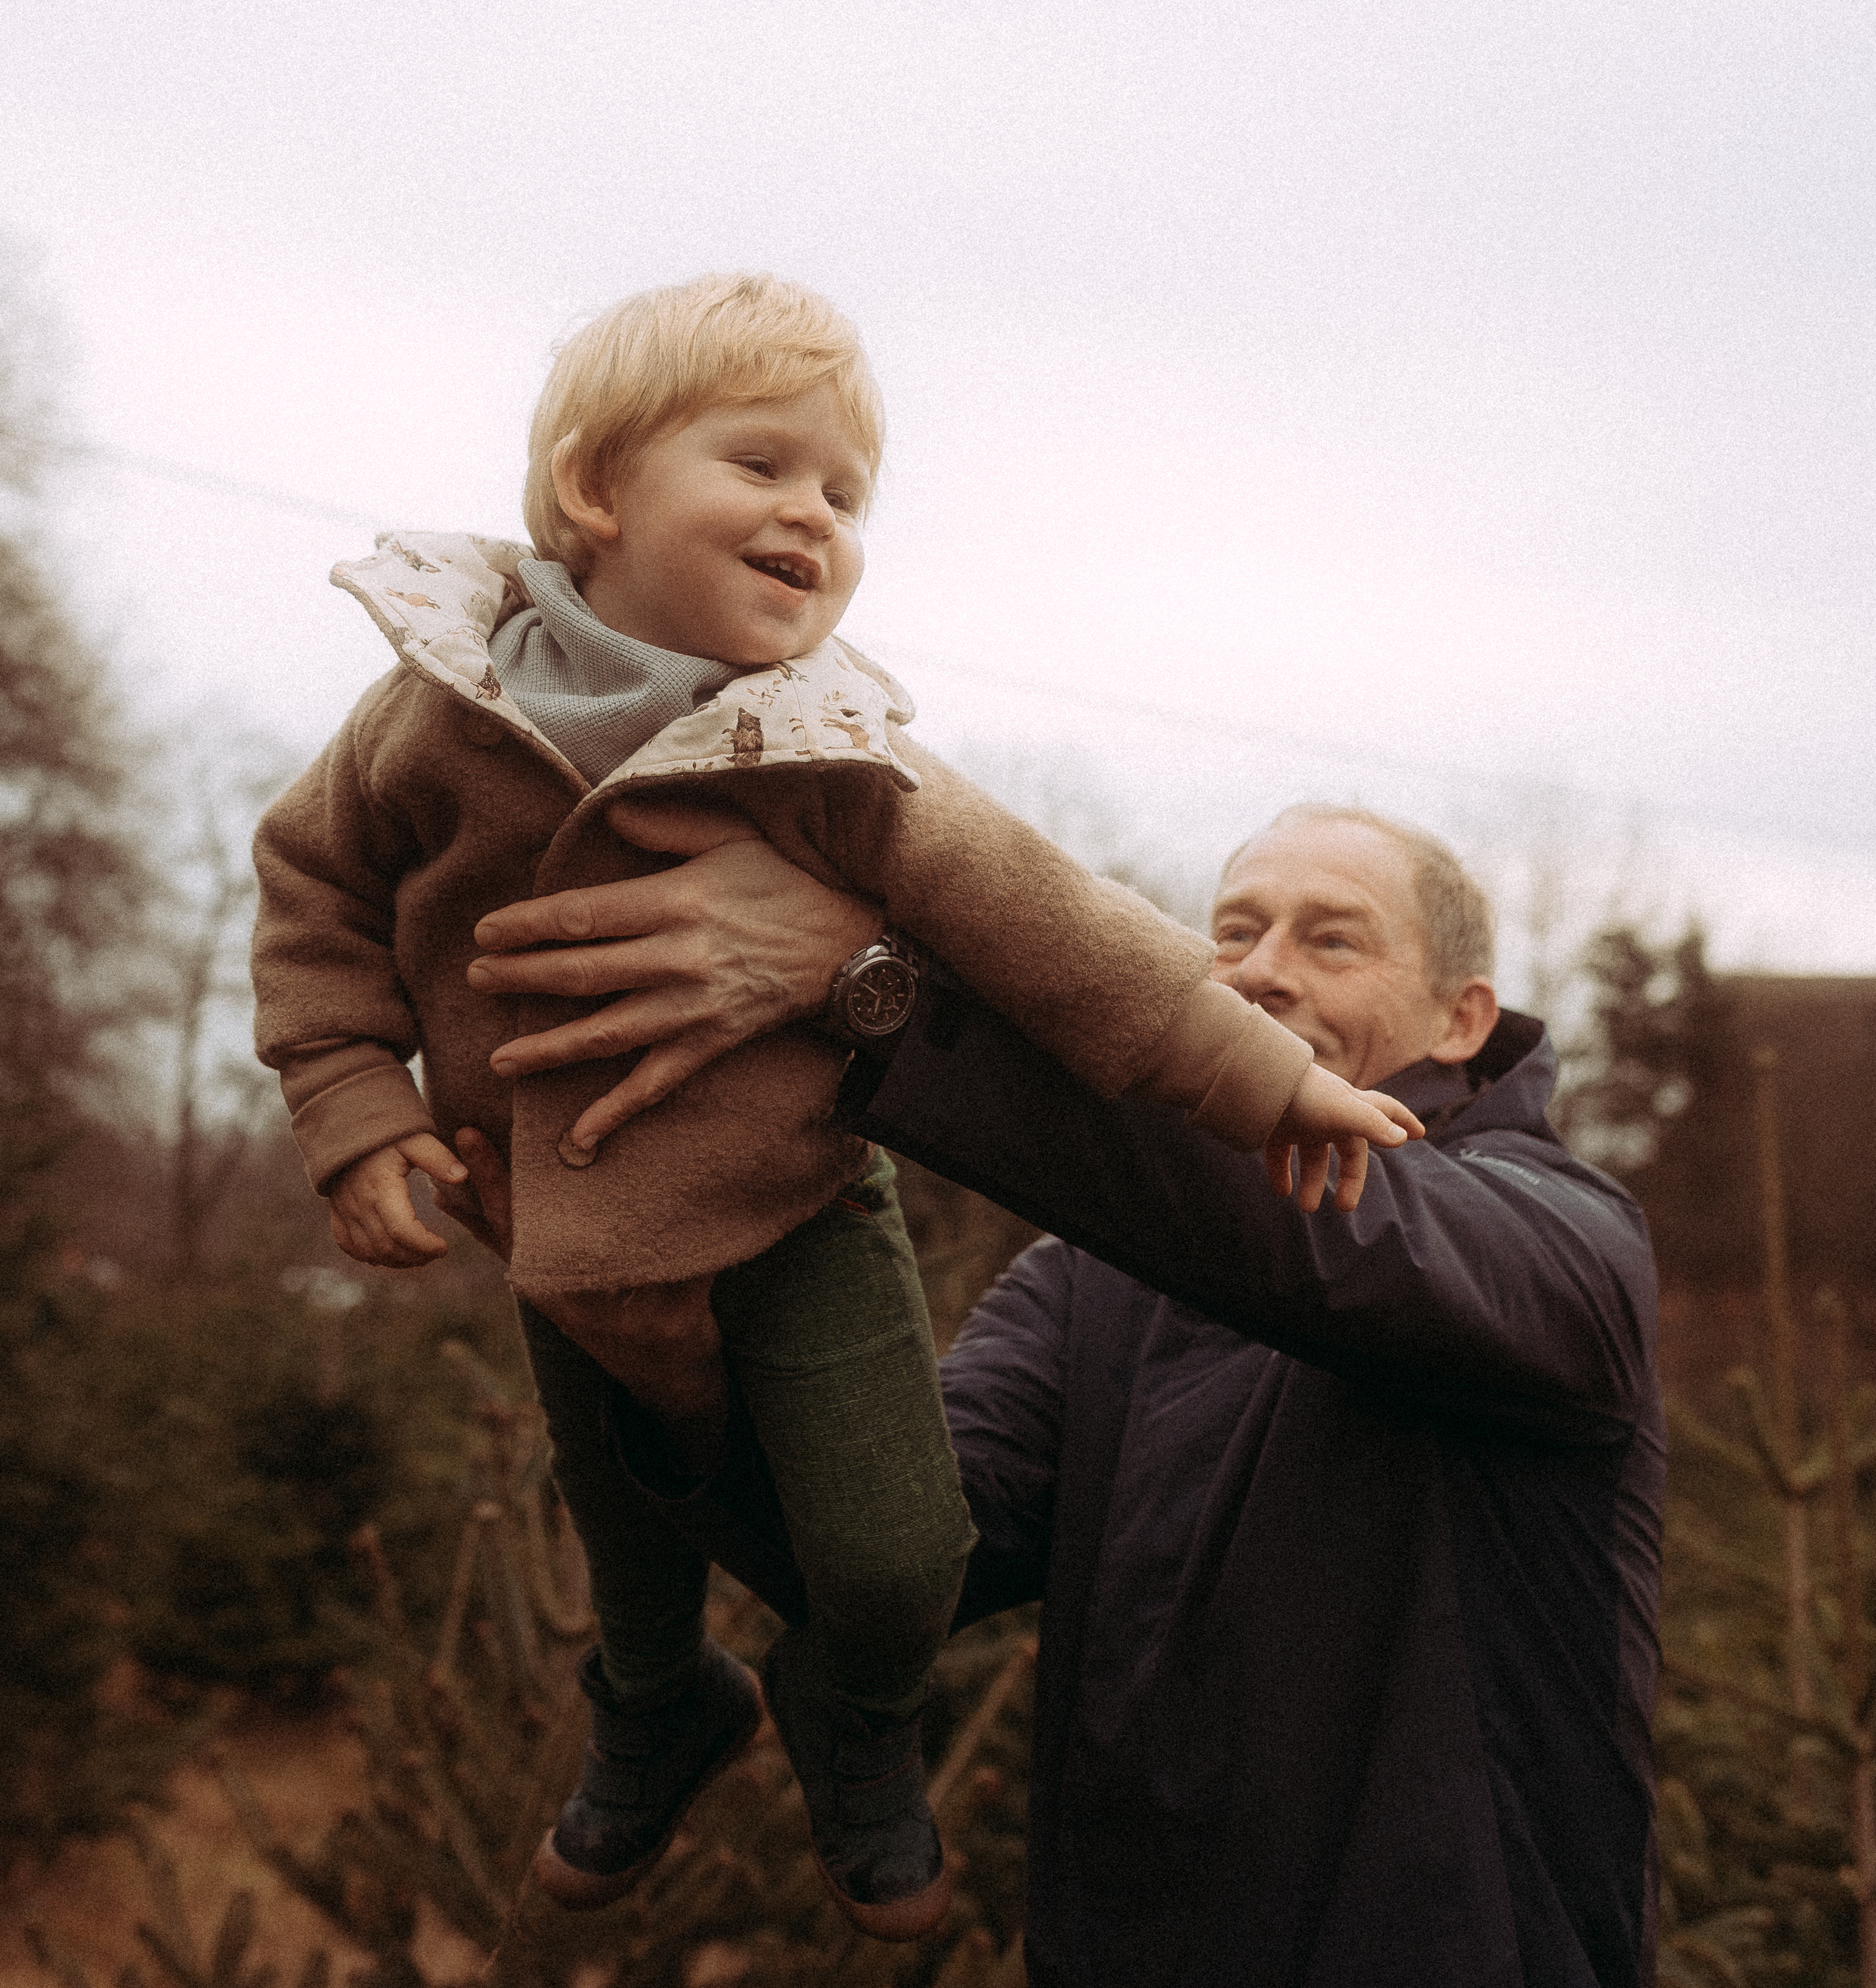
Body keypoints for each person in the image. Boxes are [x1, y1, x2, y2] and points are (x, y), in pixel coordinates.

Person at [250, 272, 1416, 1942]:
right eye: (763, 466)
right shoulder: (436, 710)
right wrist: (352, 1110)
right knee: (632, 1565)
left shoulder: (824, 748)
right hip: (546, 1209)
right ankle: (657, 1709)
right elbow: (312, 895)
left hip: (800, 1213)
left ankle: (854, 1718)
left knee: (894, 1564)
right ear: (595, 491)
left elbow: (1059, 933)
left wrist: (1274, 1079)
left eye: (846, 494)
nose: (813, 513)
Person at [454, 796, 1665, 1988]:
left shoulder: (1561, 1242)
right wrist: (679, 1374)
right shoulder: (1093, 1283)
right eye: (1231, 933)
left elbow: (1317, 1229)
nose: (1259, 971)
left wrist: (872, 986)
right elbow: (903, 1540)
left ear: (1461, 1017)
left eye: (1329, 936)